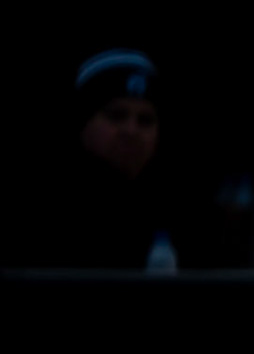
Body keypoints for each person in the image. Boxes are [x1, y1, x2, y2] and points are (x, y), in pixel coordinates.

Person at [3, 48, 223, 269]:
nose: (131, 131)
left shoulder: (181, 210)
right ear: (82, 124)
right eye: (116, 116)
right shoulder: (43, 208)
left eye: (145, 120)